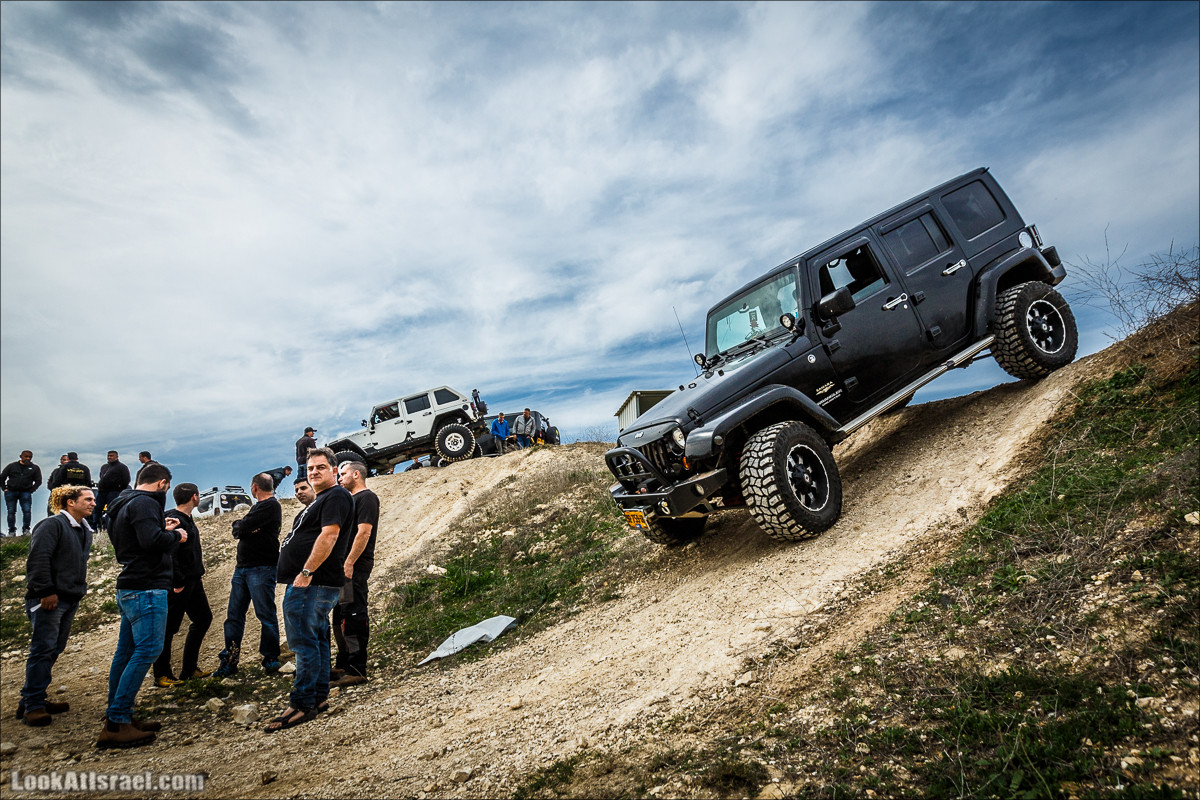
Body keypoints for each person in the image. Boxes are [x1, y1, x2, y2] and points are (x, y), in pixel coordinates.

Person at [98, 463, 186, 749]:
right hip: (147, 586)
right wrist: (176, 536)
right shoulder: (147, 503)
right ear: (162, 483)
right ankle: (117, 721)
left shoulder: (121, 503)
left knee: (125, 653)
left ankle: (119, 714)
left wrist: (162, 527)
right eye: (166, 488)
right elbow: (151, 542)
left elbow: (138, 539)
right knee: (148, 649)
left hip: (130, 584)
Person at [266, 448, 353, 732]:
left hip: (313, 581)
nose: (314, 472)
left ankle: (301, 704)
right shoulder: (323, 499)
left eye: (320, 467)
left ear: (334, 470)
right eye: (310, 468)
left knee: (303, 643)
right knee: (316, 640)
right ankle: (317, 698)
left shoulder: (336, 495)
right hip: (314, 581)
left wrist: (306, 572)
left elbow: (330, 535)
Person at [17, 485, 95, 726]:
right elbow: (38, 559)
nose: (93, 503)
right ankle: (34, 706)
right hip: (49, 599)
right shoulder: (52, 525)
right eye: (88, 499)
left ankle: (31, 698)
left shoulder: (84, 529)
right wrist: (46, 591)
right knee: (43, 649)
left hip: (69, 598)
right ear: (70, 502)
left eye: (94, 499)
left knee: (54, 649)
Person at [215, 473, 283, 678]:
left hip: (261, 568)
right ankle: (230, 659)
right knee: (234, 617)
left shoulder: (270, 505)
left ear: (254, 488)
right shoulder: (258, 508)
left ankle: (270, 658)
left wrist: (242, 526)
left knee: (265, 614)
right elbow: (241, 529)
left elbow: (241, 527)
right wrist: (243, 527)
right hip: (243, 568)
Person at [152, 484, 212, 686]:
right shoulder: (173, 518)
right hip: (180, 582)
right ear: (195, 497)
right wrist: (177, 581)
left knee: (203, 619)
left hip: (194, 580)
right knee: (169, 628)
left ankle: (189, 669)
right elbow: (170, 552)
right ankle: (162, 674)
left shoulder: (187, 518)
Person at [331, 460, 379, 687]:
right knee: (340, 615)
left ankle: (357, 668)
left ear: (357, 474)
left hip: (354, 567)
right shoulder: (350, 500)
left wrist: (350, 562)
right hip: (342, 567)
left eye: (343, 474)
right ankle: (343, 664)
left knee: (352, 614)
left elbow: (365, 532)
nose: (339, 478)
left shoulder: (366, 498)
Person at [2, 450, 42, 537]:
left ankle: (26, 530)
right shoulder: (12, 466)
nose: (28, 458)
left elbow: (38, 481)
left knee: (27, 511)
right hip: (11, 491)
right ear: (21, 456)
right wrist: (4, 488)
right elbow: (2, 477)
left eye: (30, 457)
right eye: (26, 456)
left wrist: (32, 490)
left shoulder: (34, 468)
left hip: (25, 492)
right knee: (11, 511)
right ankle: (11, 531)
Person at [95, 451, 131, 533]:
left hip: (113, 492)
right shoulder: (104, 467)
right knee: (97, 509)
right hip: (102, 491)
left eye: (111, 456)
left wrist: (120, 488)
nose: (109, 457)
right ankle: (95, 526)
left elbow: (126, 479)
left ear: (116, 457)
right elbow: (101, 476)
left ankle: (108, 527)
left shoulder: (122, 467)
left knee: (110, 510)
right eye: (108, 456)